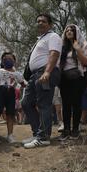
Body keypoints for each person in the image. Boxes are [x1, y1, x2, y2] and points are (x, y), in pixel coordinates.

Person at [21, 13, 62, 149]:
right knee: (26, 103)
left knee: (44, 104)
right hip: (35, 75)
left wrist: (47, 72)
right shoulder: (40, 39)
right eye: (38, 21)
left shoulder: (53, 36)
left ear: (50, 24)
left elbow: (54, 54)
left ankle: (43, 137)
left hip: (45, 73)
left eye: (43, 21)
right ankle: (37, 134)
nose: (40, 23)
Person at [58, 24, 87, 141]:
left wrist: (77, 49)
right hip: (64, 79)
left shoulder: (83, 44)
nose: (69, 31)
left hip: (78, 77)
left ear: (76, 32)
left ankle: (75, 129)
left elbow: (85, 63)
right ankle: (66, 129)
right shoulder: (62, 47)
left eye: (71, 30)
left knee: (76, 103)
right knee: (66, 104)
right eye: (67, 30)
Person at [0, 52, 25, 144]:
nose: (8, 60)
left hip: (11, 94)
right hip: (1, 93)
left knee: (10, 115)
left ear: (14, 61)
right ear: (3, 61)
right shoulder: (0, 71)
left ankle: (10, 135)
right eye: (5, 59)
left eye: (10, 59)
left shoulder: (18, 74)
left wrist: (25, 85)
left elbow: (23, 84)